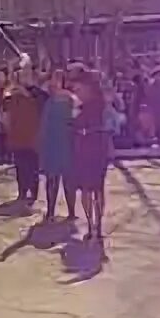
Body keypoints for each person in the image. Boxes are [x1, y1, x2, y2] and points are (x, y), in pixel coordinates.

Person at [72, 73, 110, 242]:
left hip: (91, 146)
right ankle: (95, 225)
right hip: (93, 146)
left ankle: (93, 225)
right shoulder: (97, 102)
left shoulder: (92, 104)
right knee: (94, 188)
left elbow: (75, 124)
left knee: (91, 189)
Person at [38, 70, 76, 221]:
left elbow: (77, 120)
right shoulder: (49, 101)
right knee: (51, 179)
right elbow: (44, 125)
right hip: (52, 144)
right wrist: (42, 145)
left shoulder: (72, 100)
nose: (54, 82)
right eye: (53, 79)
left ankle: (72, 212)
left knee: (69, 180)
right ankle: (50, 211)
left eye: (58, 79)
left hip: (67, 143)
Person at [2, 70, 43, 204]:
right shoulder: (12, 97)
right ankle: (22, 192)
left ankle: (33, 192)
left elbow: (39, 103)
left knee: (32, 167)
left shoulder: (36, 93)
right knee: (20, 167)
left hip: (32, 138)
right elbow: (4, 109)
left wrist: (25, 92)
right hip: (17, 137)